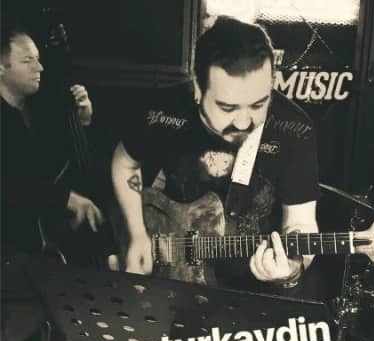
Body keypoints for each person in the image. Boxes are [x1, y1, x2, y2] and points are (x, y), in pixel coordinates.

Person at [111, 16, 320, 291]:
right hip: (171, 276)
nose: (243, 122)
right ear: (198, 88)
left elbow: (301, 222)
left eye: (259, 104)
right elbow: (125, 163)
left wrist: (292, 268)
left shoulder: (294, 129)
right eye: (227, 107)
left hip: (250, 289)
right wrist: (137, 234)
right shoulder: (163, 111)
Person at [1, 26, 104, 258]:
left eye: (38, 58)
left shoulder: (42, 109)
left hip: (51, 237)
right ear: (1, 68)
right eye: (27, 60)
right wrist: (66, 199)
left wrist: (84, 121)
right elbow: (9, 183)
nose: (39, 67)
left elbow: (72, 161)